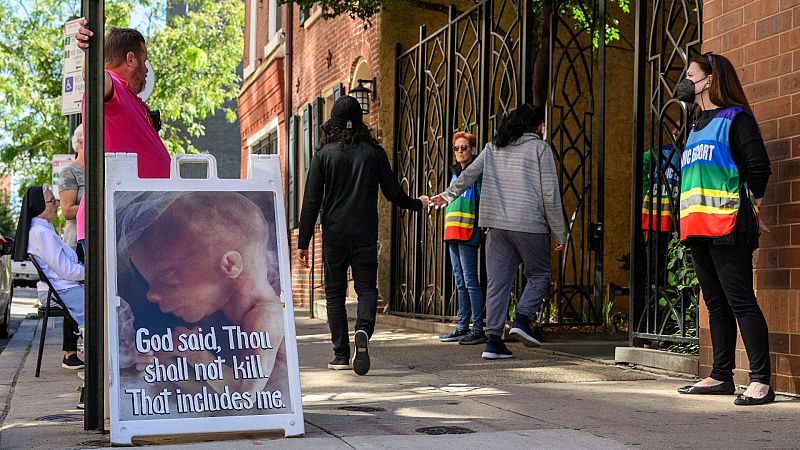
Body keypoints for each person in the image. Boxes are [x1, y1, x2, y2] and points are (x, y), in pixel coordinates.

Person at [297, 96, 429, 376]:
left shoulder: (323, 155)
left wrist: (303, 242)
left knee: (334, 292)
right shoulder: (374, 153)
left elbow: (311, 201)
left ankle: (341, 354)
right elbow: (393, 193)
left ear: (332, 122)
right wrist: (418, 204)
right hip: (365, 231)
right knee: (367, 289)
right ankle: (363, 329)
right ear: (360, 122)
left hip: (335, 233)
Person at [673, 52, 773, 406]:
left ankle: (761, 380)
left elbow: (759, 168)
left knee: (741, 300)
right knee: (715, 303)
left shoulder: (737, 119)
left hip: (729, 223)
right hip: (698, 227)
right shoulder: (697, 124)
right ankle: (721, 375)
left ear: (710, 79)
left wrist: (753, 206)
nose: (685, 81)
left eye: (690, 74)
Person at [431, 104, 566, 360]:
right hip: (529, 225)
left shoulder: (492, 148)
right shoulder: (540, 148)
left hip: (496, 228)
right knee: (539, 274)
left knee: (497, 283)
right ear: (536, 126)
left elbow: (468, 174)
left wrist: (446, 197)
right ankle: (523, 319)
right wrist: (560, 233)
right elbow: (550, 194)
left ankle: (493, 342)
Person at [122, 191, 286, 397]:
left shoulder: (266, 317)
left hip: (266, 419)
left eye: (168, 277)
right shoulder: (220, 316)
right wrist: (166, 366)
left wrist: (198, 356)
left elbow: (246, 393)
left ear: (229, 264)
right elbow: (214, 393)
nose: (151, 295)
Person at [76, 20, 170, 179]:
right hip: (116, 202)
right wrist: (92, 43)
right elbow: (94, 78)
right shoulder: (115, 87)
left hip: (137, 201)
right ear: (131, 59)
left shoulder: (133, 101)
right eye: (145, 60)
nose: (147, 70)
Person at [13, 186, 85, 369]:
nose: (56, 205)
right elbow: (65, 270)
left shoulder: (43, 229)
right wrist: (91, 272)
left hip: (62, 287)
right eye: (52, 201)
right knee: (102, 310)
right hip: (60, 290)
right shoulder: (41, 233)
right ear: (39, 206)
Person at [438, 131, 486, 345]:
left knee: (470, 281)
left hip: (467, 231)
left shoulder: (476, 174)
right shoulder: (454, 173)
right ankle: (462, 326)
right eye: (456, 148)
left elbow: (483, 200)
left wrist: (483, 227)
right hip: (452, 232)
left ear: (472, 150)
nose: (459, 151)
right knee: (460, 281)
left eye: (464, 147)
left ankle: (478, 328)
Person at [59, 127, 85, 256]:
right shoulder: (69, 172)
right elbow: (67, 211)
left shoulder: (104, 170)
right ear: (80, 142)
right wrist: (101, 204)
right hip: (78, 242)